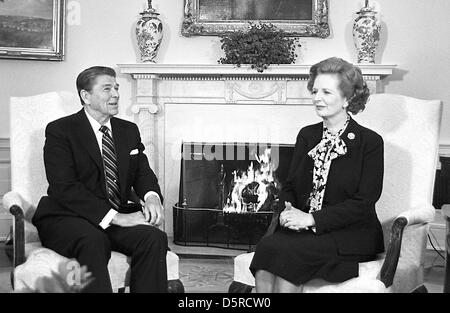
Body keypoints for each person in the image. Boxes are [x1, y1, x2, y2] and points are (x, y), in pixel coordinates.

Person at [249, 57, 385, 292]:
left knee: (289, 256)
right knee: (267, 247)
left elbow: (364, 202)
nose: (316, 98)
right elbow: (290, 185)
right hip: (303, 229)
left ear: (348, 98)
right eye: (314, 91)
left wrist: (312, 219)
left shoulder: (370, 142)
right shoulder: (307, 136)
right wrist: (287, 211)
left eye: (326, 92)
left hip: (349, 234)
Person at [32, 66, 168, 293]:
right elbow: (64, 188)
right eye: (107, 89)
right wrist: (118, 218)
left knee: (153, 237)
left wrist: (152, 196)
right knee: (93, 240)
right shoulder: (60, 131)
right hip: (68, 218)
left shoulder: (128, 130)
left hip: (113, 216)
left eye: (116, 88)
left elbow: (142, 172)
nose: (115, 94)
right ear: (86, 96)